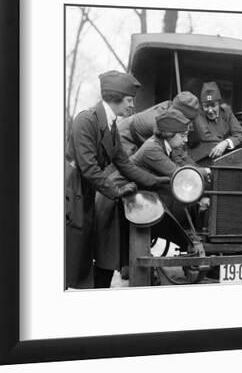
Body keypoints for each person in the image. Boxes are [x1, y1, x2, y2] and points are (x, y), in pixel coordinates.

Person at [64, 70, 168, 289]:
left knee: (97, 250)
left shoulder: (111, 126)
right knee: (73, 253)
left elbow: (125, 164)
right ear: (115, 97)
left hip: (90, 189)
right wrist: (116, 191)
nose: (132, 106)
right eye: (129, 100)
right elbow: (88, 167)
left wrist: (159, 181)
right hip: (72, 189)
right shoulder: (86, 120)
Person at [94, 108, 209, 286]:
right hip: (113, 199)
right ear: (169, 133)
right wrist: (210, 171)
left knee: (119, 253)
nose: (185, 139)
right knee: (108, 257)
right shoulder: (152, 149)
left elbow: (182, 167)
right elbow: (178, 174)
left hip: (129, 198)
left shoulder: (166, 146)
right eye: (182, 135)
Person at [118, 91, 200, 156]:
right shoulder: (160, 122)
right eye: (186, 119)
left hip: (138, 136)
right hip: (125, 137)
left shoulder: (170, 107)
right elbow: (169, 153)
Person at [189, 81, 242, 162]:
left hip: (226, 158)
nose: (210, 110)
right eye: (206, 106)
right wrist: (229, 140)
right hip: (202, 160)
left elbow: (241, 134)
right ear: (201, 106)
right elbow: (207, 138)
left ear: (219, 104)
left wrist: (226, 143)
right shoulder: (198, 114)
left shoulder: (226, 111)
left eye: (213, 105)